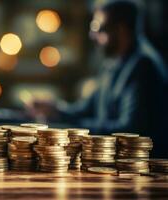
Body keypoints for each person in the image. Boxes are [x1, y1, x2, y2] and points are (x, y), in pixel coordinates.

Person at [27, 0, 168, 157]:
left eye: (98, 29)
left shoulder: (143, 66)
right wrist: (56, 110)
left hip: (143, 172)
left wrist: (76, 128)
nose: (91, 35)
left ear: (121, 30)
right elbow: (86, 109)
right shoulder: (113, 62)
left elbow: (130, 130)